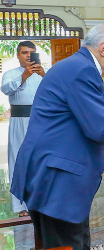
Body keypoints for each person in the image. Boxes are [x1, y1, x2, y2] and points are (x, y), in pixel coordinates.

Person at [10, 23, 104, 250]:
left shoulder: (75, 65)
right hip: (58, 183)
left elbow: (85, 117)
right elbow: (100, 129)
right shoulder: (83, 70)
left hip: (53, 177)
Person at [1, 41, 45, 217]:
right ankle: (21, 206)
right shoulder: (10, 74)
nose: (28, 56)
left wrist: (45, 75)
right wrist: (24, 77)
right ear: (18, 55)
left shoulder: (42, 73)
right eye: (25, 52)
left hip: (40, 121)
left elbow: (57, 90)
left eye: (31, 53)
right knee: (18, 160)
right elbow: (5, 89)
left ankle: (40, 200)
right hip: (19, 122)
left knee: (40, 159)